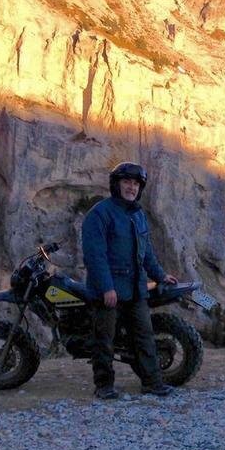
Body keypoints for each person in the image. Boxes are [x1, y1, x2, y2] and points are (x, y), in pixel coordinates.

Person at [82, 162, 177, 399]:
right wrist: (107, 287)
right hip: (109, 290)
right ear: (116, 184)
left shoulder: (138, 214)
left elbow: (146, 251)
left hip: (136, 289)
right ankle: (104, 386)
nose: (131, 187)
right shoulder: (100, 213)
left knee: (145, 337)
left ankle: (152, 383)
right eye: (126, 182)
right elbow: (95, 255)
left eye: (136, 184)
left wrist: (160, 275)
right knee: (105, 340)